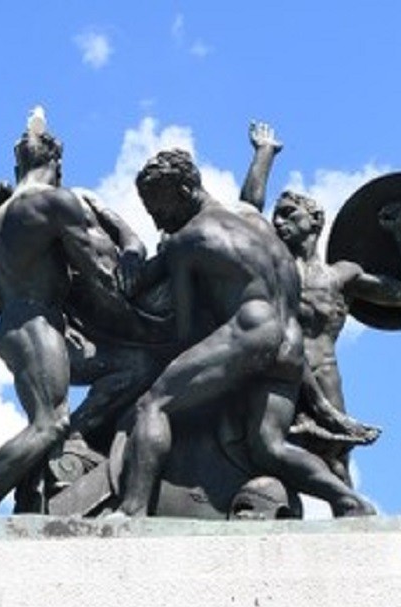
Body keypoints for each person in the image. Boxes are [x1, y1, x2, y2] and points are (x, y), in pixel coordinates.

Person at [117, 148, 374, 518]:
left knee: (154, 404)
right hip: (291, 344)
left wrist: (130, 253)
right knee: (267, 446)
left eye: (159, 208)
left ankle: (131, 510)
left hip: (250, 331)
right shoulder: (256, 220)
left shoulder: (186, 241)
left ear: (186, 191)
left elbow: (186, 331)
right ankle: (348, 500)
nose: (158, 220)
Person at [0, 112, 168, 516]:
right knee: (48, 423)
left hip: (23, 326)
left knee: (135, 366)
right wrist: (145, 300)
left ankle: (59, 455)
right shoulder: (55, 203)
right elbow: (99, 271)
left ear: (17, 164)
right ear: (57, 164)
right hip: (35, 323)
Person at [241, 121, 401, 486]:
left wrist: (400, 231)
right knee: (261, 455)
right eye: (277, 215)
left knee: (336, 461)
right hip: (274, 373)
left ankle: (352, 521)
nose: (279, 222)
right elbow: (248, 210)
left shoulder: (342, 275)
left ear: (315, 221)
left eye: (289, 214)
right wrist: (264, 154)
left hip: (323, 374)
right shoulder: (273, 263)